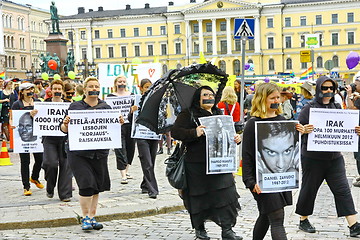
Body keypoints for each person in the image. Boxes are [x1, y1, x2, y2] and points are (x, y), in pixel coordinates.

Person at [172, 86, 242, 240]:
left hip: (220, 163)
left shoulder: (219, 113)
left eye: (211, 94)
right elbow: (175, 132)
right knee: (199, 198)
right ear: (198, 98)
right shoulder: (188, 113)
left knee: (226, 195)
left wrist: (236, 138)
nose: (209, 97)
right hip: (197, 165)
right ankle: (200, 229)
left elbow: (227, 135)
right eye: (205, 95)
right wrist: (194, 132)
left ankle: (227, 229)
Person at [295, 76, 360, 237]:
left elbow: (345, 127)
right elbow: (297, 129)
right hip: (313, 159)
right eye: (325, 88)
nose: (328, 91)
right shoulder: (308, 108)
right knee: (309, 189)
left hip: (334, 158)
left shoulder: (337, 107)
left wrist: (356, 131)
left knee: (343, 189)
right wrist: (304, 130)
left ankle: (353, 225)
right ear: (318, 89)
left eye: (331, 88)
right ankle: (303, 219)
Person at [242, 82, 304, 240]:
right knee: (277, 217)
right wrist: (249, 181)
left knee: (265, 215)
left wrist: (299, 134)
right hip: (261, 180)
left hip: (281, 178)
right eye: (272, 98)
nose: (277, 100)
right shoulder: (252, 124)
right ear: (263, 99)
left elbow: (292, 149)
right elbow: (247, 155)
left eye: (278, 97)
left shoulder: (283, 120)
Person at [60, 77, 124, 230]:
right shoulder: (75, 107)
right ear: (85, 89)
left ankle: (92, 216)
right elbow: (63, 130)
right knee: (86, 183)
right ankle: (85, 218)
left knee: (96, 186)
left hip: (99, 153)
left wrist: (119, 122)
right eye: (90, 86)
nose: (93, 88)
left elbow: (112, 130)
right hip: (79, 153)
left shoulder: (106, 107)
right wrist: (66, 124)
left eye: (96, 86)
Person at [32, 79, 72, 202]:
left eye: (59, 89)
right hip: (49, 139)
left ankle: (65, 194)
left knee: (65, 166)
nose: (57, 91)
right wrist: (33, 114)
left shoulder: (69, 105)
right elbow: (36, 119)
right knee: (50, 163)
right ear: (51, 90)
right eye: (55, 89)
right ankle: (50, 187)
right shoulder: (44, 105)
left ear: (63, 91)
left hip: (65, 138)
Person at [11, 82, 44, 196]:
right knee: (25, 161)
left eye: (31, 89)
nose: (30, 91)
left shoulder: (38, 102)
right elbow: (13, 118)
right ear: (22, 92)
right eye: (27, 90)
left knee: (40, 159)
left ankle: (34, 177)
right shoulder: (17, 104)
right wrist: (13, 124)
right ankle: (26, 186)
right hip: (23, 136)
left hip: (36, 135)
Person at [132, 79, 159, 199]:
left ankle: (144, 184)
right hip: (141, 134)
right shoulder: (136, 100)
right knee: (146, 161)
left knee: (151, 161)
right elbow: (130, 119)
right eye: (146, 87)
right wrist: (131, 111)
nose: (148, 89)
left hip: (153, 134)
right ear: (141, 88)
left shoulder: (156, 101)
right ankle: (152, 189)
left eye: (150, 87)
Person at [107, 75, 135, 184]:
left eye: (123, 81)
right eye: (119, 81)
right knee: (120, 149)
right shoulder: (111, 96)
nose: (121, 83)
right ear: (116, 83)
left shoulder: (131, 95)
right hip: (117, 126)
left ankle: (126, 171)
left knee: (130, 149)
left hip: (130, 125)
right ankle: (123, 174)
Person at [256, 122, 300, 191]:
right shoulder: (258, 154)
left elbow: (306, 179)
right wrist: (291, 173)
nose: (281, 165)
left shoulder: (296, 149)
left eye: (287, 151)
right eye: (271, 152)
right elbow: (260, 186)